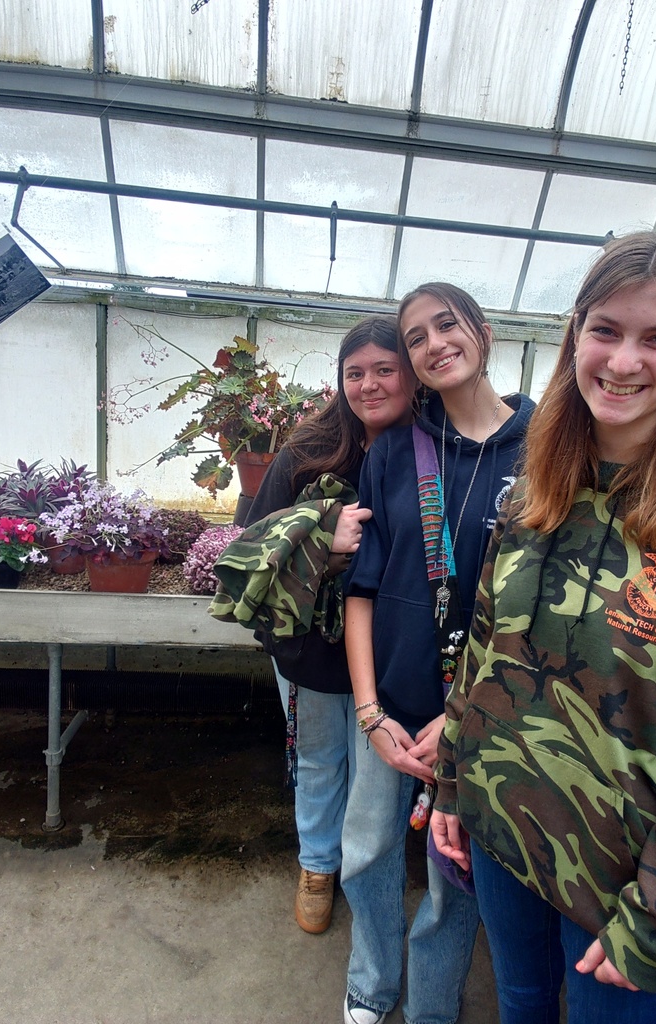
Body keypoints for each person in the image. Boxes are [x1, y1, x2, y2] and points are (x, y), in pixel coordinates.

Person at [430, 231, 656, 1024]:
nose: (624, 361)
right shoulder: (541, 477)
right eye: (606, 330)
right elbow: (485, 652)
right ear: (576, 333)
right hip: (503, 836)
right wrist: (455, 786)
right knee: (521, 1006)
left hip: (626, 888)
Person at [341, 283, 536, 1024]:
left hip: (484, 723)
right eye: (415, 336)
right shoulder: (395, 452)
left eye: (446, 325)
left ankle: (430, 1007)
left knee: (454, 876)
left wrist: (467, 721)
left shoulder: (549, 449)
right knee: (365, 851)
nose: (433, 344)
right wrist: (369, 713)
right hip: (391, 711)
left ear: (482, 332)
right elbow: (361, 591)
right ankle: (370, 983)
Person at [244, 315, 415, 935]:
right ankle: (317, 864)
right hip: (313, 646)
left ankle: (365, 873)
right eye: (354, 373)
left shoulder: (432, 447)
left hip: (397, 651)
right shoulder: (309, 448)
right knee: (320, 758)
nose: (369, 385)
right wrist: (320, 534)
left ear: (412, 374)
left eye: (384, 369)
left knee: (378, 772)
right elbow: (250, 545)